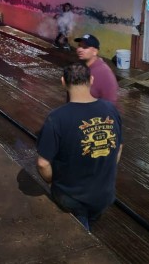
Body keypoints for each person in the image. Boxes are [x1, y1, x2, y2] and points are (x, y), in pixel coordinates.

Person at [36, 62, 123, 231]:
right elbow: (118, 149)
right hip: (105, 194)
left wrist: (51, 181)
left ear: (63, 82)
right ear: (91, 80)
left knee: (80, 231)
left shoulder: (57, 118)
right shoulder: (111, 110)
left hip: (71, 198)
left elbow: (42, 163)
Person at [74, 34, 119, 105]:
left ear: (95, 51)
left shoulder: (104, 73)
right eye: (79, 46)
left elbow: (111, 103)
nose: (80, 49)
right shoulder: (80, 66)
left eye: (85, 47)